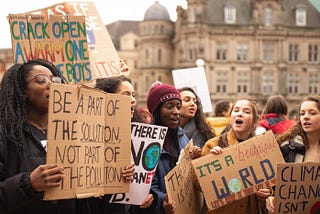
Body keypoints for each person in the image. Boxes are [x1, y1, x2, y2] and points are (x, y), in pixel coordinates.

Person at [0, 59, 76, 213]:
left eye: (55, 80)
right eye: (41, 81)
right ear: (23, 91)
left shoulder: (71, 132)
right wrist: (28, 184)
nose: (51, 85)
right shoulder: (6, 134)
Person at [94, 76, 155, 213]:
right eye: (126, 95)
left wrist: (150, 195)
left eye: (133, 95)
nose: (133, 100)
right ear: (107, 98)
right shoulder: (88, 136)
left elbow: (147, 179)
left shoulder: (140, 136)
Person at [202, 98, 272, 214]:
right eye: (236, 110)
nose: (240, 113)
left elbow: (270, 188)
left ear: (255, 121)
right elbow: (199, 185)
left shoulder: (262, 149)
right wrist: (209, 161)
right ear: (230, 119)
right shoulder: (212, 144)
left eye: (246, 111)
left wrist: (265, 194)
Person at [146, 82, 202, 214]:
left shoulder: (182, 137)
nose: (176, 112)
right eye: (169, 106)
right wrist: (162, 202)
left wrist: (195, 160)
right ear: (157, 110)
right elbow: (147, 186)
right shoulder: (147, 143)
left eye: (178, 106)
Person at [265, 96, 320, 214]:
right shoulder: (287, 147)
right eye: (302, 113)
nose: (305, 117)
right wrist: (271, 197)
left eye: (312, 113)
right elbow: (274, 184)